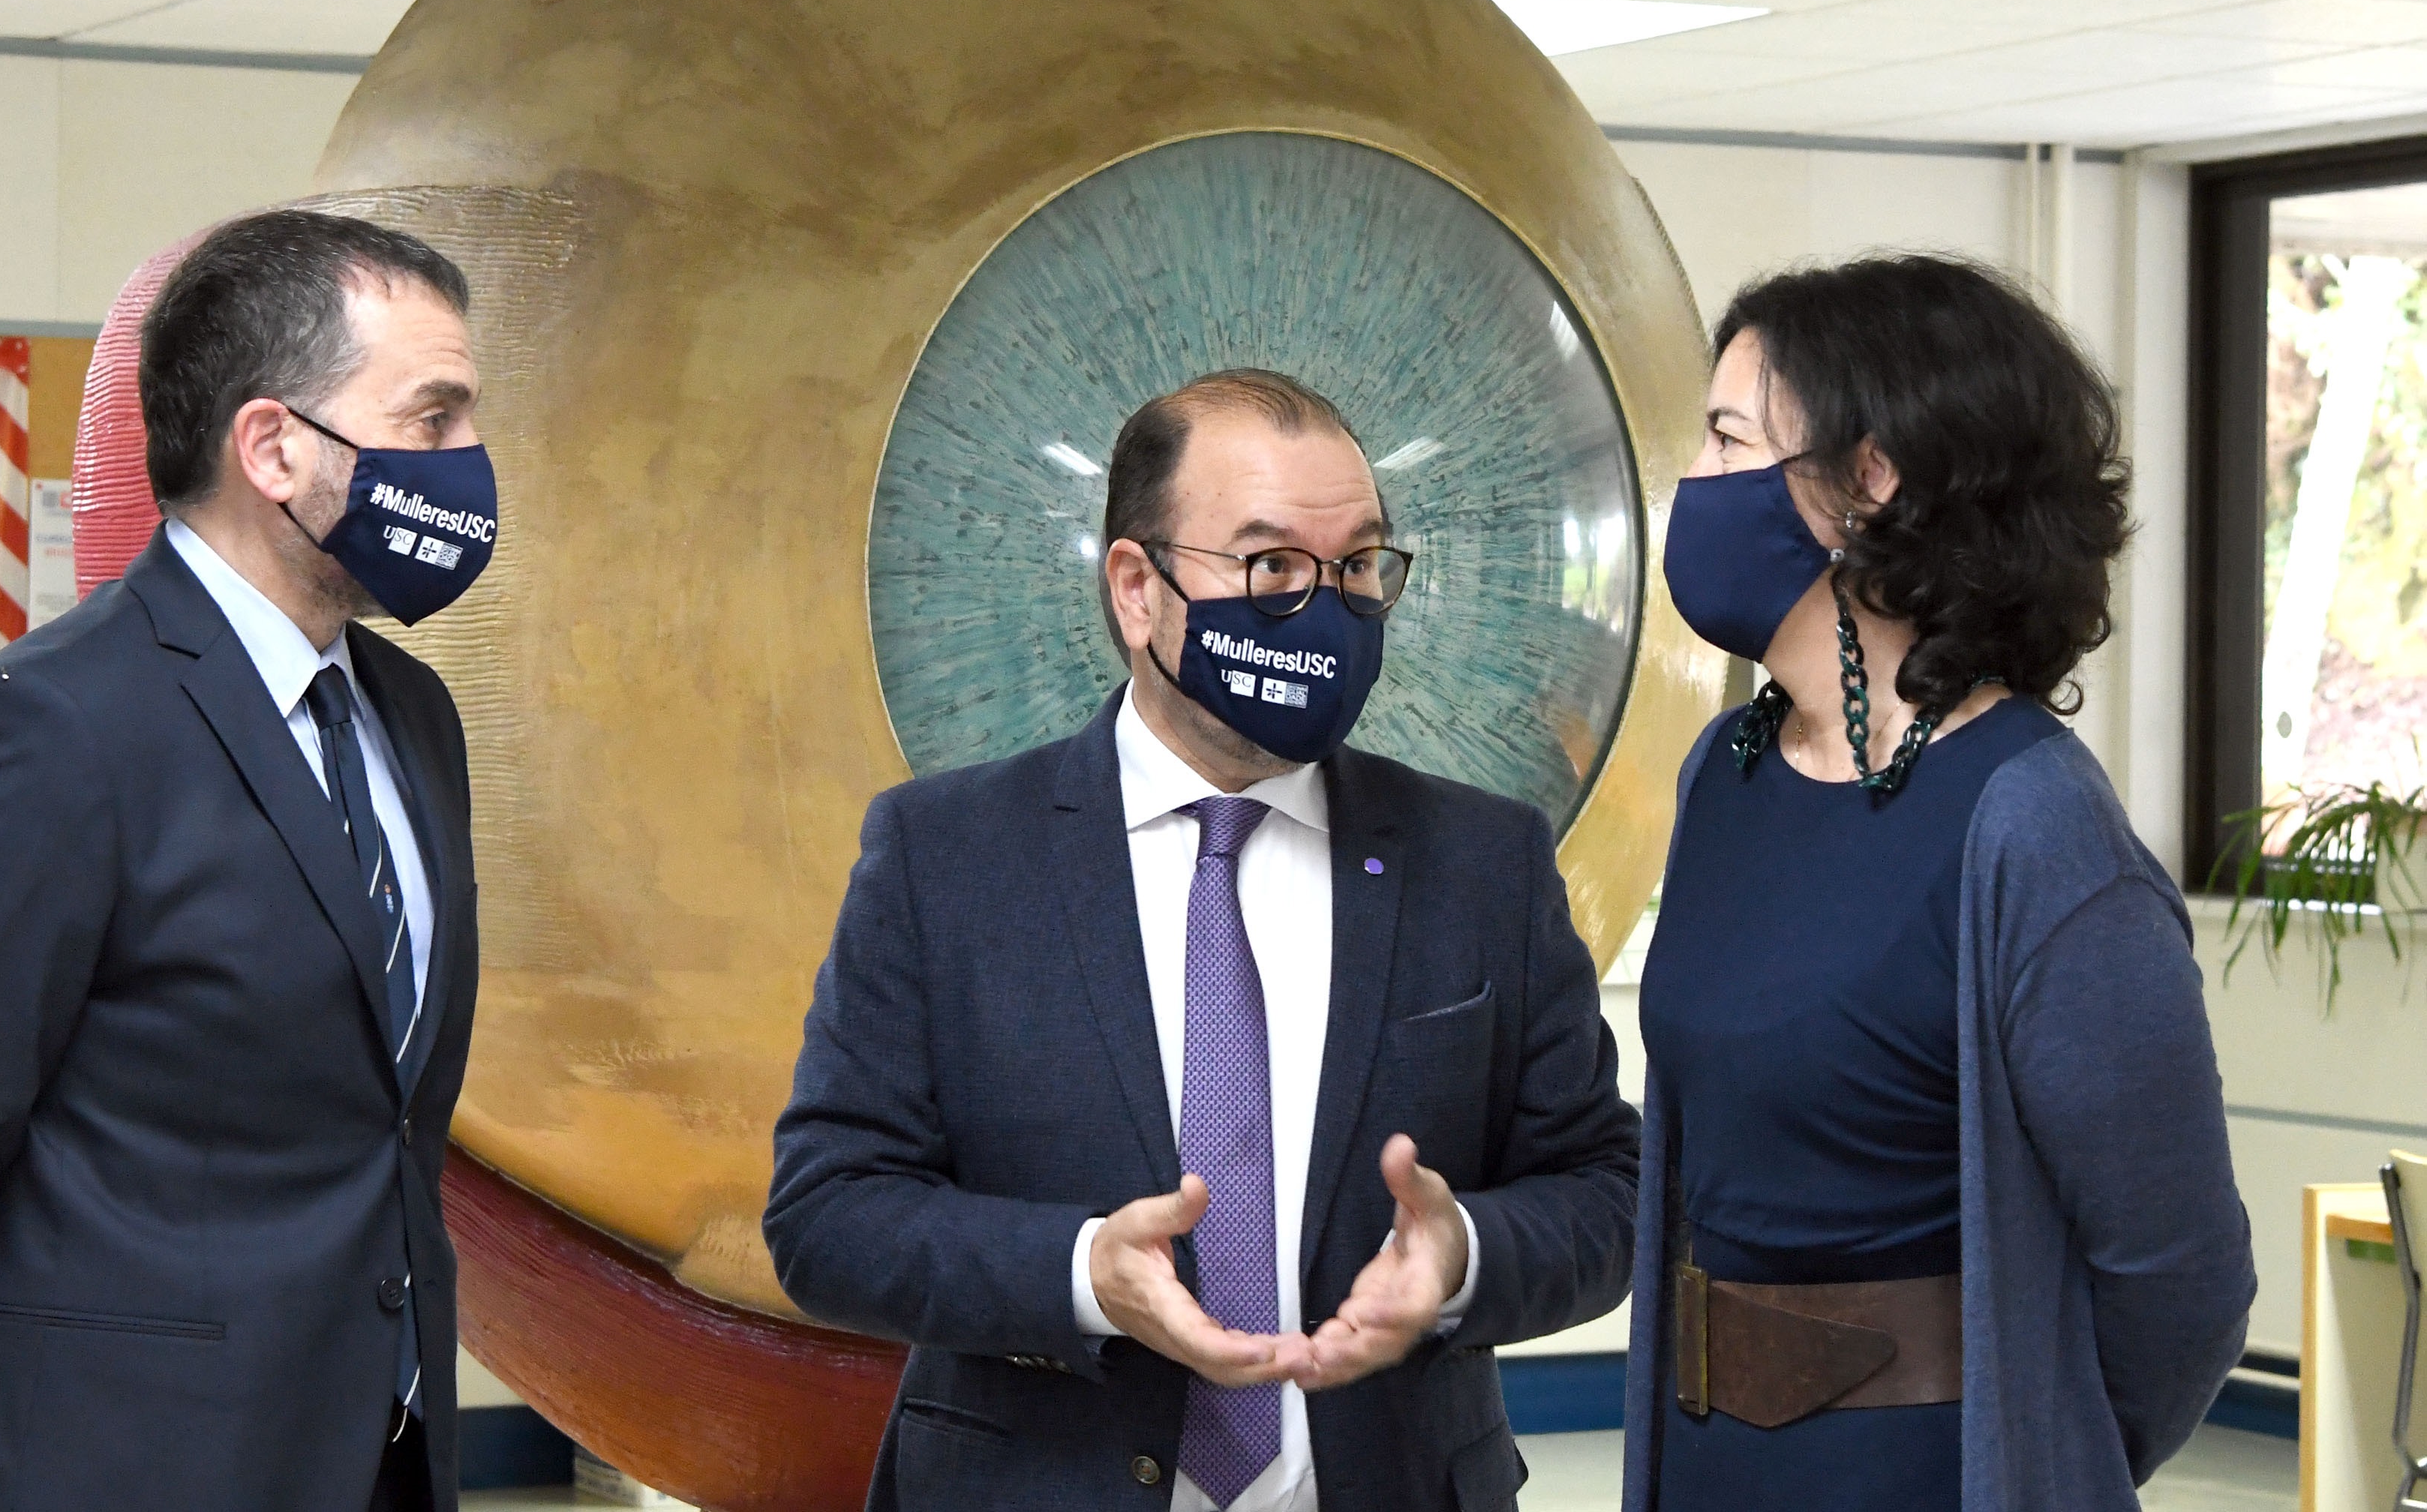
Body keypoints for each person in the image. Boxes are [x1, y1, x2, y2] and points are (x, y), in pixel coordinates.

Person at [766, 368, 1643, 1511]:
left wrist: (1463, 1254)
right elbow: (828, 1216)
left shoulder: (1481, 860)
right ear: (1138, 589)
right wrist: (1081, 1274)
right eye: (1271, 566)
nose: (1323, 611)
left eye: (1356, 566)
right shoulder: (945, 856)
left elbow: (1604, 1193)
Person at [0, 208, 496, 1512]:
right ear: (272, 447)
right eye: (431, 419)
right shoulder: (48, 731)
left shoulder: (412, 718)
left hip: (375, 1463)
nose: (469, 465)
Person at [1623, 255, 2255, 1512]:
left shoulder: (2032, 824)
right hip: (1707, 1465)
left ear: (1869, 482)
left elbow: (2179, 1281)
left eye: (1726, 437)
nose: (1690, 478)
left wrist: (2046, 1459)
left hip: (1923, 1476)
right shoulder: (1724, 770)